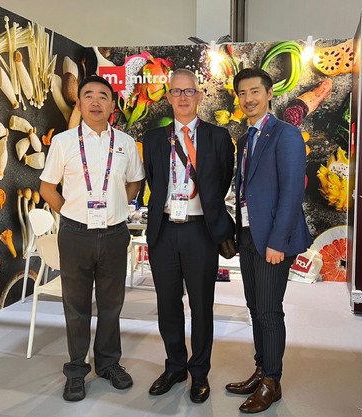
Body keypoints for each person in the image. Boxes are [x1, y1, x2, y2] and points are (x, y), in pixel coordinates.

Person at [39, 75, 145, 402]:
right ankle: (75, 370)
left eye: (103, 96)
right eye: (89, 95)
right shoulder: (64, 142)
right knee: (76, 305)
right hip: (75, 235)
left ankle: (109, 363)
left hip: (114, 234)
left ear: (113, 104)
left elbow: (135, 182)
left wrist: (117, 205)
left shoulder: (126, 143)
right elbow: (47, 188)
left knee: (112, 304)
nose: (96, 102)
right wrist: (71, 212)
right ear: (80, 103)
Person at [142, 68, 235, 403]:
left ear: (200, 95)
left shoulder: (218, 137)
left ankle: (199, 372)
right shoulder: (154, 139)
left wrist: (201, 205)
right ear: (168, 97)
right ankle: (175, 366)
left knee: (201, 305)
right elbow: (154, 181)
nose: (183, 97)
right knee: (167, 304)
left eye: (189, 91)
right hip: (164, 230)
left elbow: (222, 181)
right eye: (177, 91)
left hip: (200, 231)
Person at [226, 68, 312, 413]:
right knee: (254, 307)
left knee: (269, 311)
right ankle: (261, 370)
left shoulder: (286, 134)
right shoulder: (245, 138)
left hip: (273, 239)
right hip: (249, 234)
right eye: (242, 93)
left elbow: (292, 192)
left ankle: (272, 382)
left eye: (254, 92)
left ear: (269, 93)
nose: (248, 99)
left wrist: (277, 242)